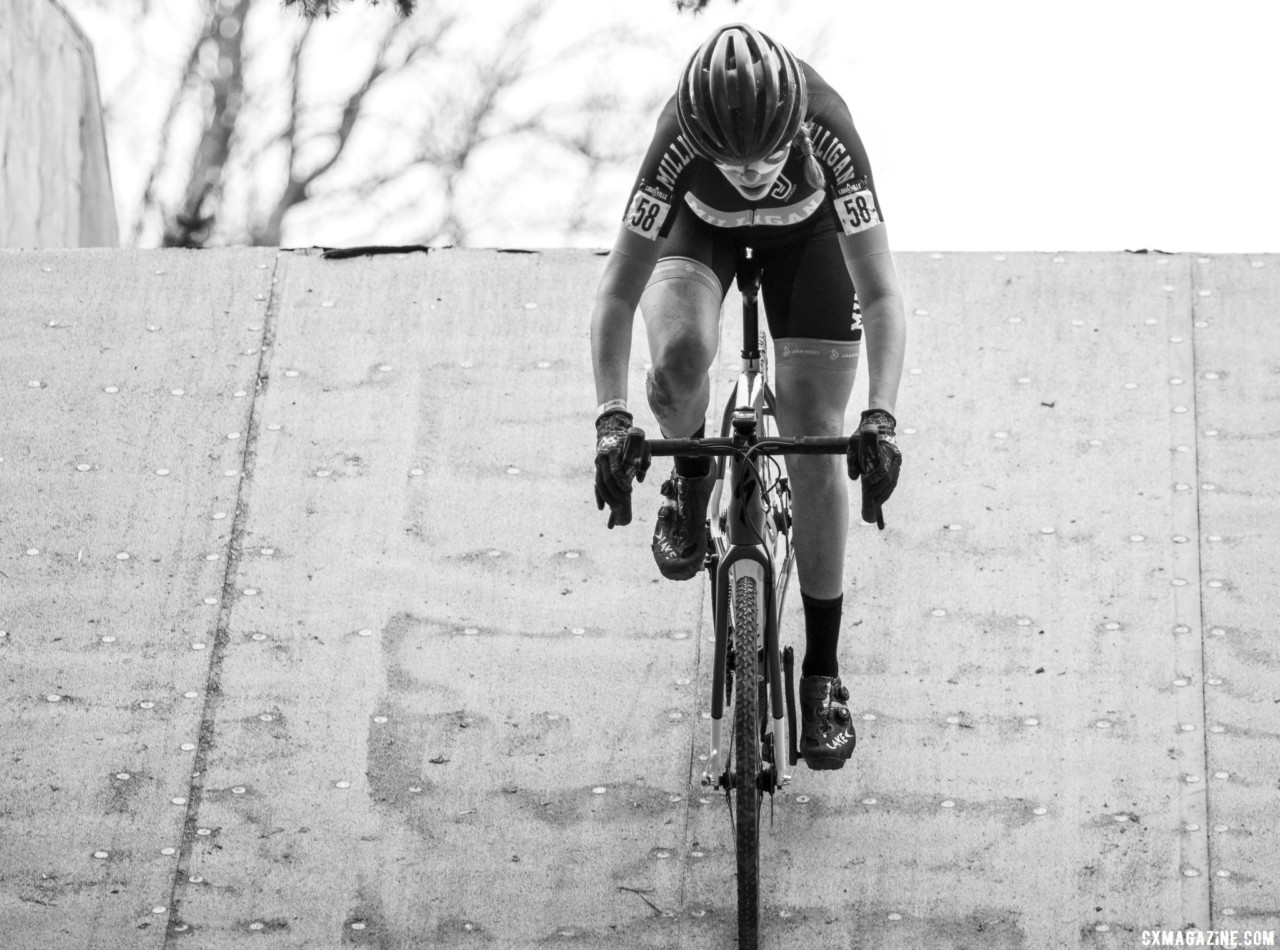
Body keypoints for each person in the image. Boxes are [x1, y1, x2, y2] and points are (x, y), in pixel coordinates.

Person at [590, 23, 905, 770]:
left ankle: (823, 674)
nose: (756, 171)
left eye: (769, 152)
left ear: (794, 124)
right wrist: (610, 418)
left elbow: (883, 294)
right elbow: (615, 295)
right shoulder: (674, 140)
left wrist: (882, 417)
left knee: (817, 434)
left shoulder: (827, 123)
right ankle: (691, 484)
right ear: (700, 139)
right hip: (702, 232)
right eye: (733, 158)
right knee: (679, 358)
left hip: (813, 237)